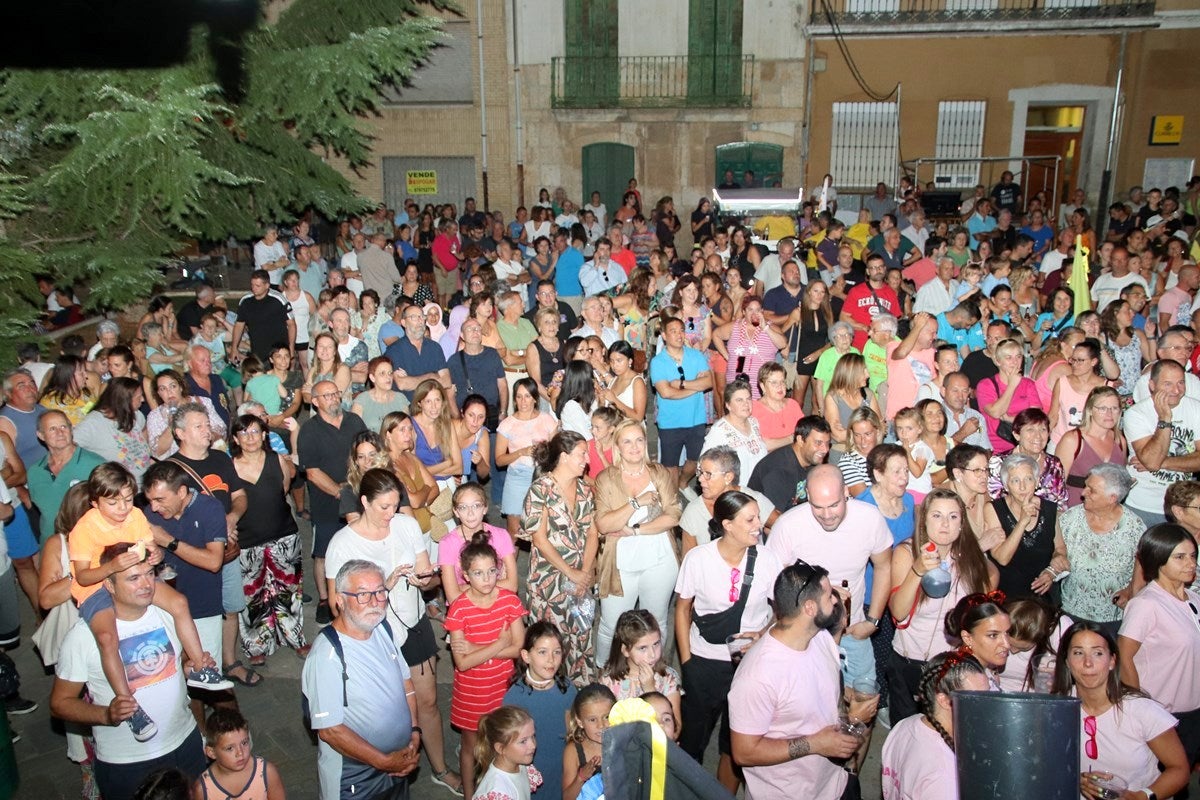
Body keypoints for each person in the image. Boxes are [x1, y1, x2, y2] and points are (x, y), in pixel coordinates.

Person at [51, 544, 208, 799]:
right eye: (133, 578)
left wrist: (187, 668)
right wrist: (106, 714)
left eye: (149, 573)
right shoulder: (83, 637)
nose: (146, 584)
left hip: (185, 743)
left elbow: (174, 664)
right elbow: (59, 703)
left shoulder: (168, 613)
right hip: (127, 761)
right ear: (109, 585)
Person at [728, 559, 877, 800]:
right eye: (829, 596)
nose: (836, 599)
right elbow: (744, 752)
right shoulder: (757, 676)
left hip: (834, 784)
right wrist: (816, 744)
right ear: (809, 608)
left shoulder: (820, 638)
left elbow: (821, 693)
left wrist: (851, 709)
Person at [675, 491, 783, 793]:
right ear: (727, 524)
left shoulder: (769, 560)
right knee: (694, 737)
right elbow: (682, 609)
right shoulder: (699, 559)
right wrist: (687, 662)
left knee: (736, 743)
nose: (758, 525)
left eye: (758, 517)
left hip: (749, 664)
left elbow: (780, 611)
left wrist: (761, 636)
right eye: (749, 519)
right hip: (704, 660)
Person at [301, 560, 420, 800]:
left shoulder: (382, 629)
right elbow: (330, 730)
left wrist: (414, 732)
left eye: (379, 592)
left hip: (397, 766)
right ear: (340, 600)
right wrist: (384, 762)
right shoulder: (328, 655)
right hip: (355, 781)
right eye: (363, 595)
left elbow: (406, 685)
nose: (375, 602)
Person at [888, 488, 996, 723]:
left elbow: (990, 588)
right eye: (937, 515)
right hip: (909, 662)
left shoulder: (971, 558)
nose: (945, 524)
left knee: (947, 738)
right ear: (924, 521)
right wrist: (918, 570)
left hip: (951, 666)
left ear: (961, 523)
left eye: (953, 516)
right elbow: (898, 612)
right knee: (907, 739)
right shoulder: (907, 552)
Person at [1052, 622, 1189, 800]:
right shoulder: (1057, 708)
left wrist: (1141, 796)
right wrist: (1075, 779)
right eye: (1078, 653)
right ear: (1067, 662)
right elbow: (1048, 762)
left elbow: (1180, 770)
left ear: (1112, 661)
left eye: (1098, 653)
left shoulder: (1141, 710)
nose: (1087, 663)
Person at [593, 420, 681, 664]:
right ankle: (604, 673)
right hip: (619, 564)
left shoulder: (659, 473)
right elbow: (603, 524)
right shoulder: (606, 479)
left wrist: (635, 531)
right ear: (617, 447)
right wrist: (636, 502)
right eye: (627, 441)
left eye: (639, 440)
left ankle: (656, 671)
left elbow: (673, 515)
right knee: (611, 624)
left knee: (658, 621)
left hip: (660, 558)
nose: (634, 447)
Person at [446, 537, 525, 798]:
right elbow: (462, 662)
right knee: (470, 746)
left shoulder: (509, 601)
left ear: (499, 569)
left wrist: (476, 647)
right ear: (466, 575)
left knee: (503, 743)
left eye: (492, 571)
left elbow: (519, 648)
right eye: (478, 573)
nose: (487, 578)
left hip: (503, 688)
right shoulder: (458, 609)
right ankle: (470, 795)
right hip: (472, 691)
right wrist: (499, 643)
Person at [1119, 523, 1200, 770]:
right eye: (1180, 557)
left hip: (1193, 714)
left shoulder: (1194, 599)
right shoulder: (1146, 604)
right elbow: (1124, 657)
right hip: (1161, 717)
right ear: (1159, 560)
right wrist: (1140, 710)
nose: (1191, 563)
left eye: (1193, 556)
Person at [521, 431, 599, 684]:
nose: (586, 459)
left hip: (581, 583)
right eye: (581, 454)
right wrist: (572, 573)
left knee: (581, 639)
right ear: (564, 456)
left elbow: (593, 534)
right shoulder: (540, 490)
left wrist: (585, 574)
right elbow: (539, 539)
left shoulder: (586, 490)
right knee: (550, 646)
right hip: (549, 583)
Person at [228, 415, 305, 664]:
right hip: (248, 541)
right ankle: (257, 645)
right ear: (235, 439)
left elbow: (282, 491)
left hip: (283, 534)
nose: (250, 437)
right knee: (252, 594)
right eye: (244, 433)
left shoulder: (277, 460)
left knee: (288, 589)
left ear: (264, 435)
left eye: (255, 432)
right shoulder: (229, 468)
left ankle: (294, 637)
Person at [297, 380, 368, 624]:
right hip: (326, 501)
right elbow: (312, 472)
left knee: (358, 548)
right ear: (315, 401)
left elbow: (368, 451)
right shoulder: (309, 430)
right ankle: (325, 600)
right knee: (324, 553)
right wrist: (340, 492)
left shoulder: (353, 421)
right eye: (327, 395)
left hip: (359, 496)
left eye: (336, 393)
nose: (334, 398)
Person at [880, 650, 990, 800]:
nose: (988, 705)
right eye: (976, 699)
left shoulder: (904, 725)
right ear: (944, 700)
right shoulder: (944, 774)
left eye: (988, 694)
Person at [1060, 463, 1146, 634]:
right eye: (1086, 486)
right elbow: (1055, 553)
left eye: (1091, 490)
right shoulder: (1070, 518)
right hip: (1070, 611)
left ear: (1112, 498)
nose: (1083, 493)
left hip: (1112, 617)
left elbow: (1143, 567)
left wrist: (1130, 590)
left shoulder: (1134, 528)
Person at [503, 623, 577, 797]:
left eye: (556, 652)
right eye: (542, 652)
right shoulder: (514, 698)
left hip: (562, 771)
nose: (551, 659)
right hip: (529, 774)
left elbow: (571, 734)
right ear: (526, 656)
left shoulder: (568, 690)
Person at [1125, 359, 1200, 528]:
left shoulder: (1196, 409)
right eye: (1168, 384)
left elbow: (1153, 463)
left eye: (1181, 382)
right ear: (1152, 385)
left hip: (1184, 509)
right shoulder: (1136, 414)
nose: (1176, 390)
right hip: (1142, 504)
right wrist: (1165, 419)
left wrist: (1163, 462)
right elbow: (1151, 461)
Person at [990, 453, 1068, 601]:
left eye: (1028, 479)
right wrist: (1022, 522)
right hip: (1008, 596)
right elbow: (1002, 558)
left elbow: (1060, 549)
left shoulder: (1050, 509)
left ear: (1037, 481)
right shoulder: (994, 509)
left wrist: (1052, 571)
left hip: (1042, 594)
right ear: (1006, 485)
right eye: (1015, 480)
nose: (1023, 486)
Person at [648, 316, 712, 486]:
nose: (679, 335)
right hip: (670, 423)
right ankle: (674, 499)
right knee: (670, 466)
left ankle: (683, 483)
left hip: (696, 419)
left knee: (695, 460)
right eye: (673, 331)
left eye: (681, 330)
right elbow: (666, 392)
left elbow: (709, 382)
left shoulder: (696, 356)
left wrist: (683, 384)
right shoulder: (657, 362)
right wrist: (696, 387)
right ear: (663, 335)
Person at [27, 410, 105, 541]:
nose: (60, 433)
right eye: (52, 429)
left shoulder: (96, 465)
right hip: (50, 546)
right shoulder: (35, 472)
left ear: (71, 430)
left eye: (64, 427)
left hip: (88, 544)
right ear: (41, 435)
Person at [496, 378, 558, 540]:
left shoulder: (546, 419)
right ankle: (509, 565)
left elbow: (557, 451)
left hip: (543, 476)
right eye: (519, 396)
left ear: (535, 398)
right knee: (514, 531)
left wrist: (545, 453)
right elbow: (499, 460)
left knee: (544, 530)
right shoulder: (507, 424)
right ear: (514, 400)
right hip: (517, 478)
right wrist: (520, 452)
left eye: (528, 396)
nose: (523, 401)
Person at [439, 481, 517, 607]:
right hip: (466, 610)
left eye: (476, 506)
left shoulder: (501, 535)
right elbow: (453, 597)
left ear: (485, 508)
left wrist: (464, 588)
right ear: (456, 512)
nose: (470, 513)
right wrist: (496, 583)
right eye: (463, 507)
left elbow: (512, 585)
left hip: (500, 604)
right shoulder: (447, 543)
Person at [72, 377, 153, 480]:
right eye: (139, 396)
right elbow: (70, 446)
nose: (143, 399)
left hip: (145, 483)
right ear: (125, 399)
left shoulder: (136, 415)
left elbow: (144, 434)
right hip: (119, 487)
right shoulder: (94, 422)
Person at [986, 407, 1068, 509]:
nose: (1038, 436)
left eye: (1043, 429)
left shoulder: (1054, 464)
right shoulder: (999, 463)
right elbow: (996, 502)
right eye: (1030, 430)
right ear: (1017, 435)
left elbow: (1061, 503)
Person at [194, 708, 285, 800]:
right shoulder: (203, 789)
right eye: (230, 748)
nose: (240, 753)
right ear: (211, 752)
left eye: (244, 743)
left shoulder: (267, 772)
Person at [747, 415, 832, 512]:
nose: (825, 449)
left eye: (827, 443)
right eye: (818, 443)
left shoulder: (812, 460)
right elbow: (773, 520)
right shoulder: (779, 470)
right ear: (800, 440)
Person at [975, 338, 1043, 452]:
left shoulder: (1028, 384)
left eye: (1018, 356)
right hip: (996, 449)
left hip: (1025, 447)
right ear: (997, 361)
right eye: (1008, 357)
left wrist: (1010, 418)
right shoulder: (986, 385)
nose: (1015, 361)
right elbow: (995, 412)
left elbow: (1035, 417)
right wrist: (1012, 385)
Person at [146, 370, 227, 460]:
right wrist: (171, 426)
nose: (169, 392)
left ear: (181, 387)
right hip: (177, 465)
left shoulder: (203, 402)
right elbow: (157, 451)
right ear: (158, 393)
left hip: (207, 457)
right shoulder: (154, 416)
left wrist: (207, 437)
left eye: (173, 386)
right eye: (163, 389)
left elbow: (221, 429)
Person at [702, 380, 769, 483]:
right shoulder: (719, 430)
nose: (746, 404)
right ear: (728, 405)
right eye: (739, 400)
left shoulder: (754, 422)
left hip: (760, 487)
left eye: (748, 399)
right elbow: (703, 465)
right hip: (737, 493)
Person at [472, 706, 543, 800]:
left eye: (533, 736)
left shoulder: (519, 763)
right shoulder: (498, 791)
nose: (533, 745)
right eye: (523, 741)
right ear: (501, 748)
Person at [562, 684, 616, 800]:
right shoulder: (574, 751)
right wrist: (581, 777)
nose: (601, 725)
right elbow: (567, 797)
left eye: (606, 717)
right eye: (592, 720)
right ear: (580, 722)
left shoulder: (624, 744)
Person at [230, 270, 295, 366]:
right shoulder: (246, 301)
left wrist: (291, 348)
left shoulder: (278, 299)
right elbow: (239, 325)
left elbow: (291, 324)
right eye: (252, 285)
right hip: (258, 351)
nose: (254, 288)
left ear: (267, 285)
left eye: (258, 286)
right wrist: (234, 347)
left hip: (278, 350)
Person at [350, 356, 409, 433]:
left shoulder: (400, 399)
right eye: (382, 373)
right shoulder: (362, 401)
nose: (388, 377)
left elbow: (408, 430)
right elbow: (354, 433)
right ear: (372, 377)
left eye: (390, 373)